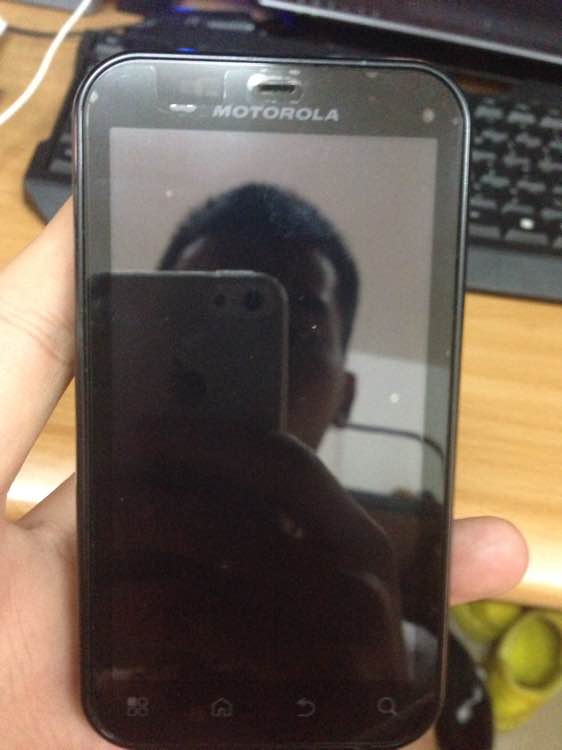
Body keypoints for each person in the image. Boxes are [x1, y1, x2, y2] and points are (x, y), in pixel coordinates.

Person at [0, 200, 528, 749]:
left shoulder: (386, 629)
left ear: (345, 396)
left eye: (299, 334)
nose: (239, 364)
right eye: (194, 331)